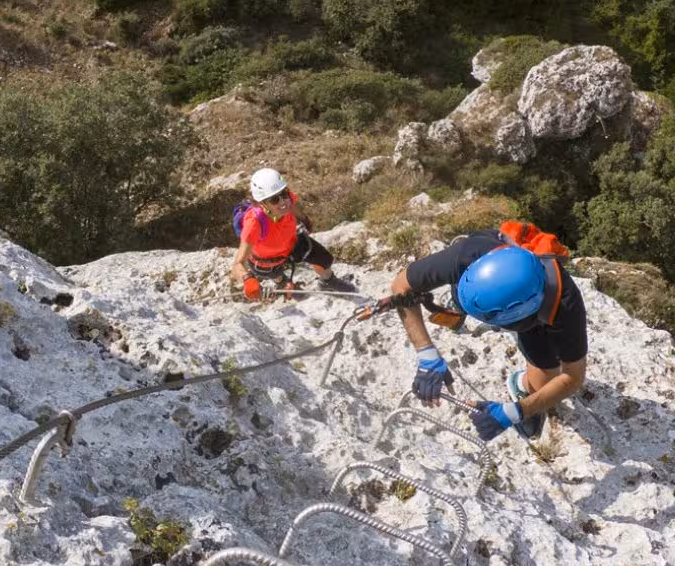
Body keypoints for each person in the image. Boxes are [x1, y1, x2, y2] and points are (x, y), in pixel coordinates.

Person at [387, 221, 586, 441]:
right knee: (459, 299)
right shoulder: (467, 255)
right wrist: (426, 354)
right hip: (482, 264)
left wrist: (518, 410)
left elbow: (573, 376)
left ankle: (520, 385)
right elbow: (401, 287)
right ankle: (458, 306)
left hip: (534, 315)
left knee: (546, 380)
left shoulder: (564, 305)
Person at [230, 168, 356, 299]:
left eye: (284, 194)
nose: (283, 201)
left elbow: (292, 205)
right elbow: (238, 264)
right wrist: (248, 280)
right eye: (274, 200)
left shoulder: (286, 199)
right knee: (277, 276)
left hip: (291, 243)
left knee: (323, 259)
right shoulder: (254, 223)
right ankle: (283, 284)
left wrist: (304, 219)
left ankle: (328, 281)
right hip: (266, 260)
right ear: (262, 203)